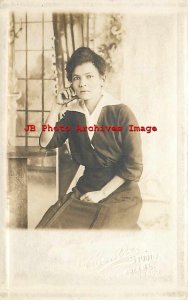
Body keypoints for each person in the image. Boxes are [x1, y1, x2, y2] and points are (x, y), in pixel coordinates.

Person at [36, 47, 143, 229]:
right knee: (48, 228)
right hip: (87, 187)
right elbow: (46, 142)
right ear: (71, 83)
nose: (82, 83)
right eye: (76, 78)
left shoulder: (121, 112)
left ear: (102, 80)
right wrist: (56, 106)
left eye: (89, 76)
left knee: (97, 238)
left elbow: (133, 166)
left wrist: (101, 193)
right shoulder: (72, 114)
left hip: (121, 191)